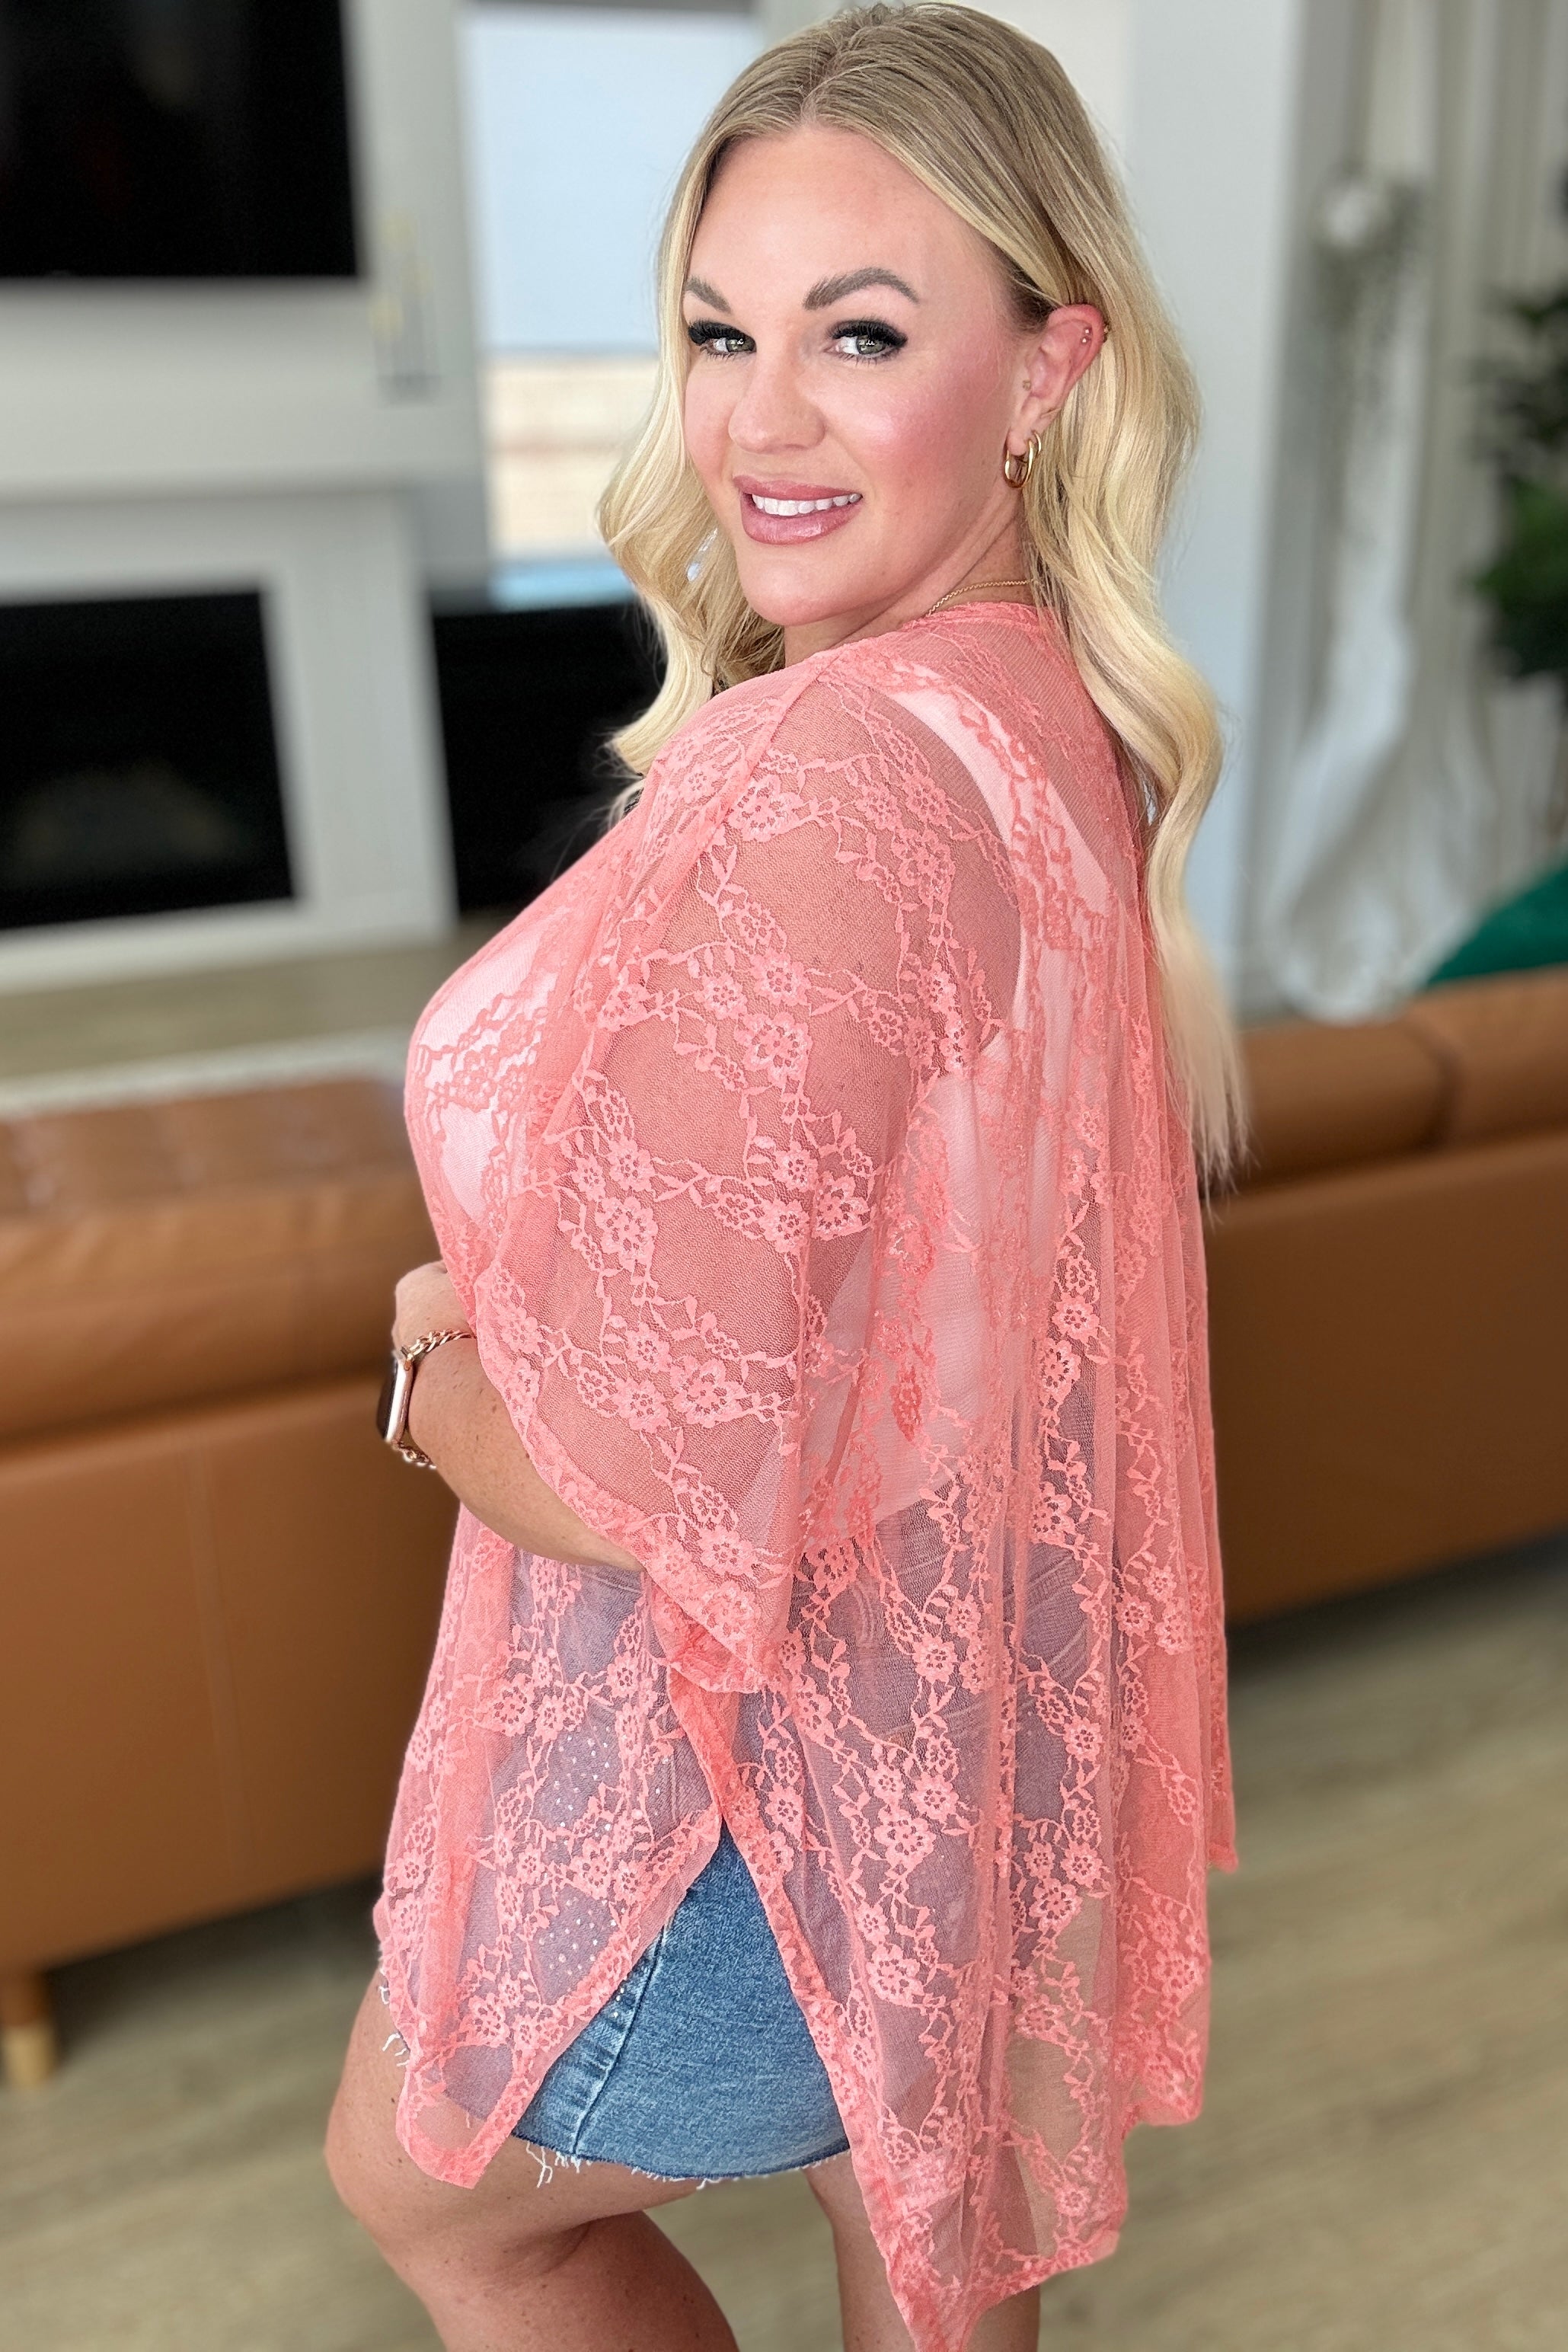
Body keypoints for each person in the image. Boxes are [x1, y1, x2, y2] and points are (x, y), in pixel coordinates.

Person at [325, 8, 1240, 2348]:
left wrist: (430, 1366)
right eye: (721, 333)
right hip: (937, 1721)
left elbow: (634, 1479)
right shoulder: (1043, 717)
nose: (755, 419)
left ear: (1046, 370)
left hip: (739, 1785)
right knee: (914, 2222)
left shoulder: (835, 771)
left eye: (861, 334)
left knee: (442, 2199)